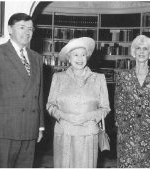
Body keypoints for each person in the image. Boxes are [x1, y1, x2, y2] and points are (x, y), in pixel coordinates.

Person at [0, 13, 44, 168]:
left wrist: (40, 126)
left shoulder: (37, 58)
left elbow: (39, 94)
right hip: (6, 128)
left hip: (30, 127)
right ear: (10, 29)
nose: (27, 32)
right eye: (22, 27)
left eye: (30, 29)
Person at [46, 37, 111, 168]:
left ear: (87, 57)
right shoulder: (58, 78)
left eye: (83, 55)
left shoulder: (99, 79)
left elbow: (105, 108)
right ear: (69, 58)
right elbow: (50, 105)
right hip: (64, 132)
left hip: (88, 133)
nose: (80, 59)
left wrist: (87, 117)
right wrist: (65, 116)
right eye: (75, 55)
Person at [115, 35, 150, 167]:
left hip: (149, 133)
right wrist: (121, 125)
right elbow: (118, 105)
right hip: (126, 132)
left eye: (145, 49)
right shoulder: (123, 77)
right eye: (138, 48)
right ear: (133, 52)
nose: (142, 51)